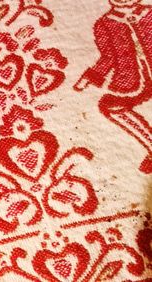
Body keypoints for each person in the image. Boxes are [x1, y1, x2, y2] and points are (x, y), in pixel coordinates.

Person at [74, 0, 152, 174]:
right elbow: (108, 57)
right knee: (111, 106)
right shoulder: (106, 23)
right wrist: (90, 77)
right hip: (133, 79)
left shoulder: (148, 13)